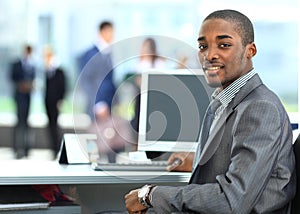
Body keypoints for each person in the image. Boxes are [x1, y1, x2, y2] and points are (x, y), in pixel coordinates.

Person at [125, 9, 296, 213]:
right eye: (202, 46)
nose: (209, 55)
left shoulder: (260, 107)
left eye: (224, 45)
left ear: (250, 51)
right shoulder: (224, 101)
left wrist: (152, 194)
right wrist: (199, 162)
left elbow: (233, 200)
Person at [130, 37, 167, 146]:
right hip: (141, 97)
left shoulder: (159, 63)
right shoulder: (139, 64)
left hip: (156, 98)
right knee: (138, 122)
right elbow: (136, 81)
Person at [79, 21, 116, 120]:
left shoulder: (108, 53)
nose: (112, 35)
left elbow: (109, 81)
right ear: (102, 32)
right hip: (96, 107)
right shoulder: (91, 54)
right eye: (109, 31)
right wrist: (97, 104)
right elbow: (85, 81)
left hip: (108, 105)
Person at [10, 44, 36, 159]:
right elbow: (12, 78)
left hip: (28, 97)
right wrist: (21, 85)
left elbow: (33, 79)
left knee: (26, 123)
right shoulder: (16, 64)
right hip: (19, 96)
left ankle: (26, 149)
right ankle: (16, 148)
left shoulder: (32, 66)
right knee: (19, 123)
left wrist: (30, 86)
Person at [43, 45, 66, 158]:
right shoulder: (46, 70)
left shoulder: (58, 70)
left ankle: (58, 148)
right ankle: (53, 148)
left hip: (56, 101)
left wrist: (61, 99)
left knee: (55, 125)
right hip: (47, 101)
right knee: (50, 124)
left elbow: (62, 86)